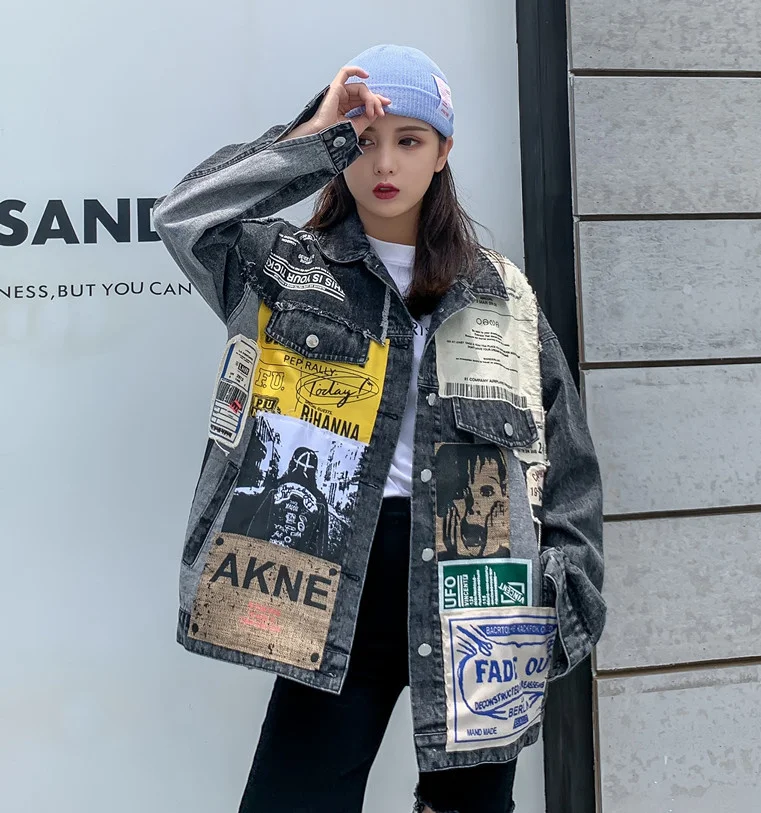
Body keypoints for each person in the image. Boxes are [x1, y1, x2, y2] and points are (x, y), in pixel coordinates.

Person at [152, 43, 606, 813]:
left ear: (443, 152)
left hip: (481, 596)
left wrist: (563, 597)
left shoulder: (501, 291)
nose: (385, 162)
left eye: (410, 139)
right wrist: (315, 133)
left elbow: (567, 460)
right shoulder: (282, 267)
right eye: (364, 141)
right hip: (329, 583)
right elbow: (184, 217)